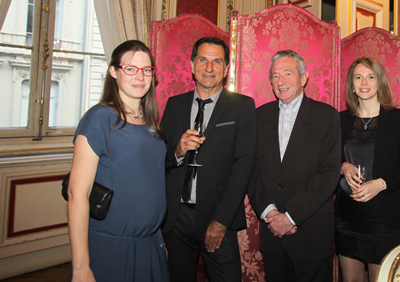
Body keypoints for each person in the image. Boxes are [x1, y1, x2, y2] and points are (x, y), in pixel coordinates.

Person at [67, 40, 169, 282]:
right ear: (113, 72)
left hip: (150, 243)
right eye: (130, 69)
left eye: (147, 70)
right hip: (111, 245)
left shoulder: (151, 122)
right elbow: (76, 194)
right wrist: (81, 266)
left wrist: (159, 240)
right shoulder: (100, 119)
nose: (140, 77)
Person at [161, 37, 257, 282]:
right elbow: (158, 158)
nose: (209, 68)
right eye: (203, 60)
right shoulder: (174, 105)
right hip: (176, 219)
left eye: (217, 62)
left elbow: (243, 168)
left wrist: (221, 220)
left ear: (226, 69)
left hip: (216, 217)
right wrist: (177, 152)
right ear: (192, 65)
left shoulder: (242, 107)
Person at [247, 50, 341, 282]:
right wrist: (271, 214)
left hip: (311, 234)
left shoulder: (327, 116)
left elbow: (328, 174)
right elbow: (252, 170)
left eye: (287, 73)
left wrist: (290, 217)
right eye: (275, 76)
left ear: (304, 77)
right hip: (272, 235)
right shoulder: (258, 116)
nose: (281, 81)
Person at [336, 57, 400, 282]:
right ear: (351, 84)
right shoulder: (341, 120)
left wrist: (380, 184)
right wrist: (343, 166)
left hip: (383, 218)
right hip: (347, 216)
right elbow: (325, 162)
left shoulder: (396, 119)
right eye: (358, 77)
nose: (364, 82)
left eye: (370, 77)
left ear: (379, 82)